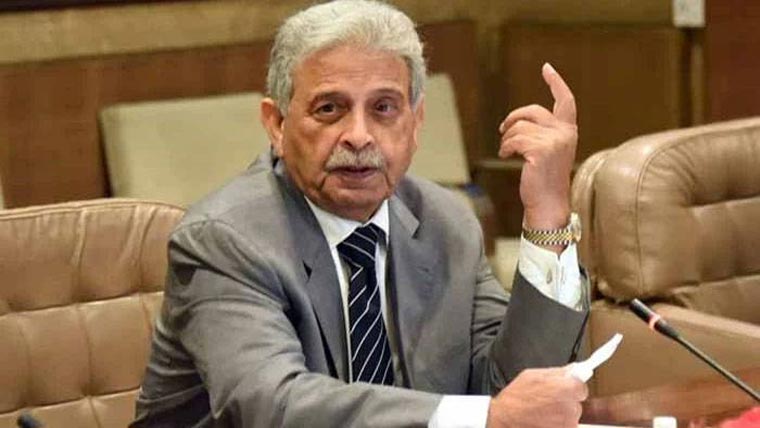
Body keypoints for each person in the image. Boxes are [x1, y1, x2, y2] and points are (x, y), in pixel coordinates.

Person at [132, 1, 589, 427]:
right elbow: (271, 404)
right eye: (329, 109)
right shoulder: (224, 239)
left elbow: (513, 394)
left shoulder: (447, 223)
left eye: (383, 108)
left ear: (416, 122)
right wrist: (484, 416)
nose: (358, 136)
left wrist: (547, 214)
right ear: (277, 124)